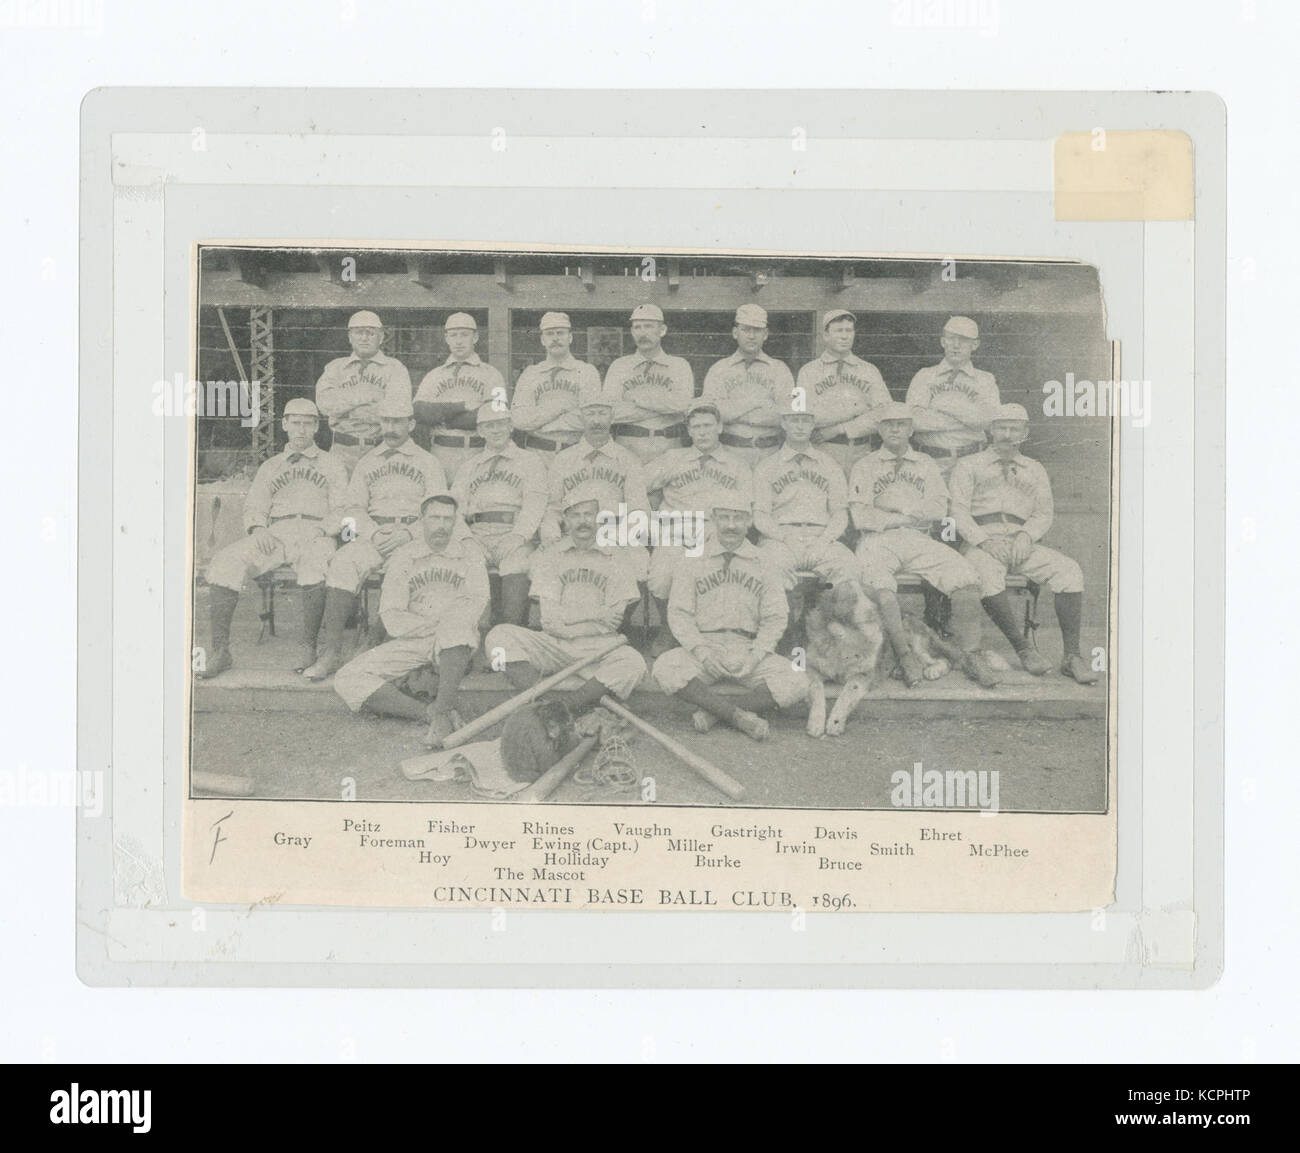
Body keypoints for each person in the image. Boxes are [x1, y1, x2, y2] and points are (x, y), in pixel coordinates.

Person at [848, 402, 1000, 689]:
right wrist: (906, 515)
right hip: (877, 540)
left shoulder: (926, 463)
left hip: (919, 538)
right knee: (881, 587)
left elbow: (938, 508)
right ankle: (905, 655)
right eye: (889, 424)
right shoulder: (864, 465)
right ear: (879, 429)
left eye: (902, 424)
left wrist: (896, 515)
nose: (895, 429)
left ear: (911, 429)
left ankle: (970, 656)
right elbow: (860, 517)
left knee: (965, 577)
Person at [949, 404, 1099, 684]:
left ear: (1025, 433)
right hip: (983, 541)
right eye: (1001, 428)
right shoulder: (968, 465)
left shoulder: (1035, 469)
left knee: (1069, 570)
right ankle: (1023, 648)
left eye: (1014, 429)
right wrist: (983, 541)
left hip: (1020, 541)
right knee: (986, 575)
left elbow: (1043, 513)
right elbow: (957, 511)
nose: (1007, 434)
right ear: (990, 431)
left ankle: (1072, 656)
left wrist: (1026, 535)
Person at [301, 391, 446, 681]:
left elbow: (439, 510)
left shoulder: (428, 462)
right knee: (342, 563)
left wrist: (407, 533)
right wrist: (373, 531)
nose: (390, 429)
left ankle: (372, 644)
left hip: (412, 537)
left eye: (397, 422)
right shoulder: (368, 462)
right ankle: (332, 651)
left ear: (411, 425)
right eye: (385, 422)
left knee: (401, 570)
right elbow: (352, 508)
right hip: (375, 533)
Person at [200, 398, 348, 679]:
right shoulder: (271, 465)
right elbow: (255, 506)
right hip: (276, 533)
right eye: (295, 423)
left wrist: (323, 530)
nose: (301, 430)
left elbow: (342, 510)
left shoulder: (332, 464)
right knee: (224, 561)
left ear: (317, 427)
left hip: (316, 531)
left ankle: (308, 646)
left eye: (307, 423)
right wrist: (258, 529)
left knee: (315, 563)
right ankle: (220, 651)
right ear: (284, 425)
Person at [652, 490, 808, 741]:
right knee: (665, 667)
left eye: (738, 519)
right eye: (724, 518)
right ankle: (737, 716)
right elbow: (679, 614)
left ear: (749, 523)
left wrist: (757, 654)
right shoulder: (691, 559)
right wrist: (701, 651)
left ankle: (717, 713)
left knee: (798, 678)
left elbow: (776, 617)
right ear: (713, 520)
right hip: (705, 647)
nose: (731, 525)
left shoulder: (765, 561)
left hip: (747, 648)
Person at [333, 493, 488, 745]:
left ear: (455, 523)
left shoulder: (470, 555)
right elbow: (392, 616)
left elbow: (477, 605)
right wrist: (433, 627)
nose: (441, 525)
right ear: (421, 521)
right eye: (435, 518)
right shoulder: (404, 557)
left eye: (448, 519)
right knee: (347, 678)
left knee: (456, 629)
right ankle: (430, 714)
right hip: (415, 638)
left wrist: (446, 627)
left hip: (457, 642)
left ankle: (441, 710)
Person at [484, 489, 647, 716]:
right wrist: (597, 614)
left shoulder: (617, 557)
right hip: (554, 646)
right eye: (576, 515)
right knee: (497, 639)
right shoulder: (551, 556)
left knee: (633, 663)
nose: (583, 521)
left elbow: (612, 623)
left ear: (599, 519)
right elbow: (549, 621)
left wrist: (573, 620)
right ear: (566, 521)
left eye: (589, 515)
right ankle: (543, 700)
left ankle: (563, 708)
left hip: (599, 647)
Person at [643, 400, 752, 652]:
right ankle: (669, 629)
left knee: (707, 574)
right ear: (689, 431)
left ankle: (703, 631)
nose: (702, 432)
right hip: (676, 527)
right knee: (660, 577)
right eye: (696, 427)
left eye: (708, 426)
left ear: (720, 427)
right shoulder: (673, 458)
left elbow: (748, 507)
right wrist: (648, 517)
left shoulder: (736, 464)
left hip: (717, 530)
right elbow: (636, 484)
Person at [450, 401, 548, 627]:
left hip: (512, 532)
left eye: (501, 424)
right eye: (489, 425)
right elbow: (454, 508)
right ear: (480, 431)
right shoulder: (469, 466)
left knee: (517, 564)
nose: (495, 430)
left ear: (511, 426)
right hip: (477, 534)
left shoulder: (530, 461)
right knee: (469, 562)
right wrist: (466, 538)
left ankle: (509, 634)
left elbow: (535, 502)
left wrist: (519, 536)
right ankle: (476, 637)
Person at [541, 393, 651, 584]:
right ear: (581, 418)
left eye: (602, 413)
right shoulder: (563, 459)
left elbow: (639, 510)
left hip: (616, 534)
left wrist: (619, 538)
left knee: (639, 565)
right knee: (541, 567)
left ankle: (619, 615)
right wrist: (551, 533)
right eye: (591, 414)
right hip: (573, 534)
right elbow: (552, 507)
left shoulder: (628, 459)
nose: (597, 420)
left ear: (612, 417)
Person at [752, 393, 858, 589]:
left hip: (821, 538)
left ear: (813, 424)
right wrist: (785, 539)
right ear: (784, 423)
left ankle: (827, 619)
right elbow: (760, 516)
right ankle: (785, 620)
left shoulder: (829, 465)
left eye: (805, 421)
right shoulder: (767, 466)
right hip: (780, 539)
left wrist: (823, 542)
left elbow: (840, 514)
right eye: (794, 420)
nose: (800, 426)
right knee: (768, 567)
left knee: (848, 565)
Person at [314, 310, 413, 477]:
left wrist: (345, 407)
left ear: (381, 337)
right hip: (341, 450)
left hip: (381, 449)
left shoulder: (395, 368)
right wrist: (365, 397)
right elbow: (325, 405)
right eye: (359, 332)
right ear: (350, 337)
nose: (364, 338)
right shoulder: (335, 368)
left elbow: (397, 410)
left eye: (370, 333)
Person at [794, 308, 891, 477]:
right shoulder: (807, 371)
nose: (845, 336)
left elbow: (884, 414)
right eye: (838, 330)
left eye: (849, 330)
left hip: (861, 451)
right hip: (823, 450)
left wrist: (840, 428)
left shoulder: (869, 370)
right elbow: (800, 414)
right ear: (825, 335)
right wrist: (857, 410)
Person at [413, 312, 507, 484]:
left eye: (464, 334)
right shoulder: (434, 375)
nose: (458, 340)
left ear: (476, 337)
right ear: (446, 338)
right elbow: (420, 412)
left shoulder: (492, 374)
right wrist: (462, 407)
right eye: (453, 335)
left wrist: (442, 415)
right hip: (441, 452)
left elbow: (497, 413)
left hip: (478, 451)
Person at [904, 315, 1001, 476]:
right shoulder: (925, 376)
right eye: (951, 338)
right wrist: (969, 418)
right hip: (932, 463)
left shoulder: (985, 379)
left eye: (963, 340)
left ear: (975, 344)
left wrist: (944, 407)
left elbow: (989, 421)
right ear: (943, 341)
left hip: (973, 461)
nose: (956, 345)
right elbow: (914, 421)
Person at [699, 303, 793, 469]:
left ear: (765, 334)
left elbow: (787, 415)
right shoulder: (719, 369)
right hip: (729, 452)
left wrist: (734, 411)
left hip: (770, 453)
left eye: (757, 330)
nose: (751, 336)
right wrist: (755, 403)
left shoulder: (780, 369)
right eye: (746, 330)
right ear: (735, 333)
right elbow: (711, 414)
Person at [602, 303, 694, 461]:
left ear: (662, 330)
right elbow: (610, 412)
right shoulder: (619, 366)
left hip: (669, 447)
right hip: (627, 447)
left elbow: (683, 405)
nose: (642, 333)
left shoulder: (679, 365)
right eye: (637, 327)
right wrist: (663, 406)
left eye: (649, 326)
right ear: (631, 332)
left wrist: (639, 400)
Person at [509, 311, 600, 462]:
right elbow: (519, 419)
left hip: (575, 452)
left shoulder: (587, 371)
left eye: (560, 333)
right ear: (542, 340)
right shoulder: (531, 373)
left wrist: (543, 425)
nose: (555, 338)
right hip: (536, 454)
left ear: (570, 337)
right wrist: (557, 409)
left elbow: (591, 417)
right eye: (550, 334)